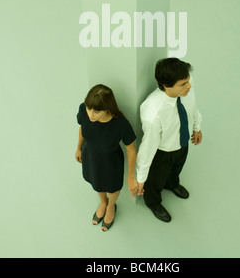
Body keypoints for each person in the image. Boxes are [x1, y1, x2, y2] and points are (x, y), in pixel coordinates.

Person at [136, 58, 203, 222]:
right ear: (166, 85)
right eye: (183, 84)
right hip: (163, 152)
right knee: (155, 181)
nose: (189, 86)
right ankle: (153, 203)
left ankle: (172, 184)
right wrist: (140, 178)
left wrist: (197, 126)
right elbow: (148, 147)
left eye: (188, 80)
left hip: (182, 142)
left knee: (177, 168)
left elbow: (193, 106)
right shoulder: (154, 113)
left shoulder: (186, 86)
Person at [75, 84, 138, 231]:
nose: (90, 114)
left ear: (107, 109)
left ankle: (111, 206)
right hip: (90, 156)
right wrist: (78, 148)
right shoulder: (84, 111)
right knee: (96, 181)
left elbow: (131, 150)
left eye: (96, 111)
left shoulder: (121, 124)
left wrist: (130, 177)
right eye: (88, 108)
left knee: (112, 186)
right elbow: (82, 128)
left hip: (111, 162)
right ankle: (103, 202)